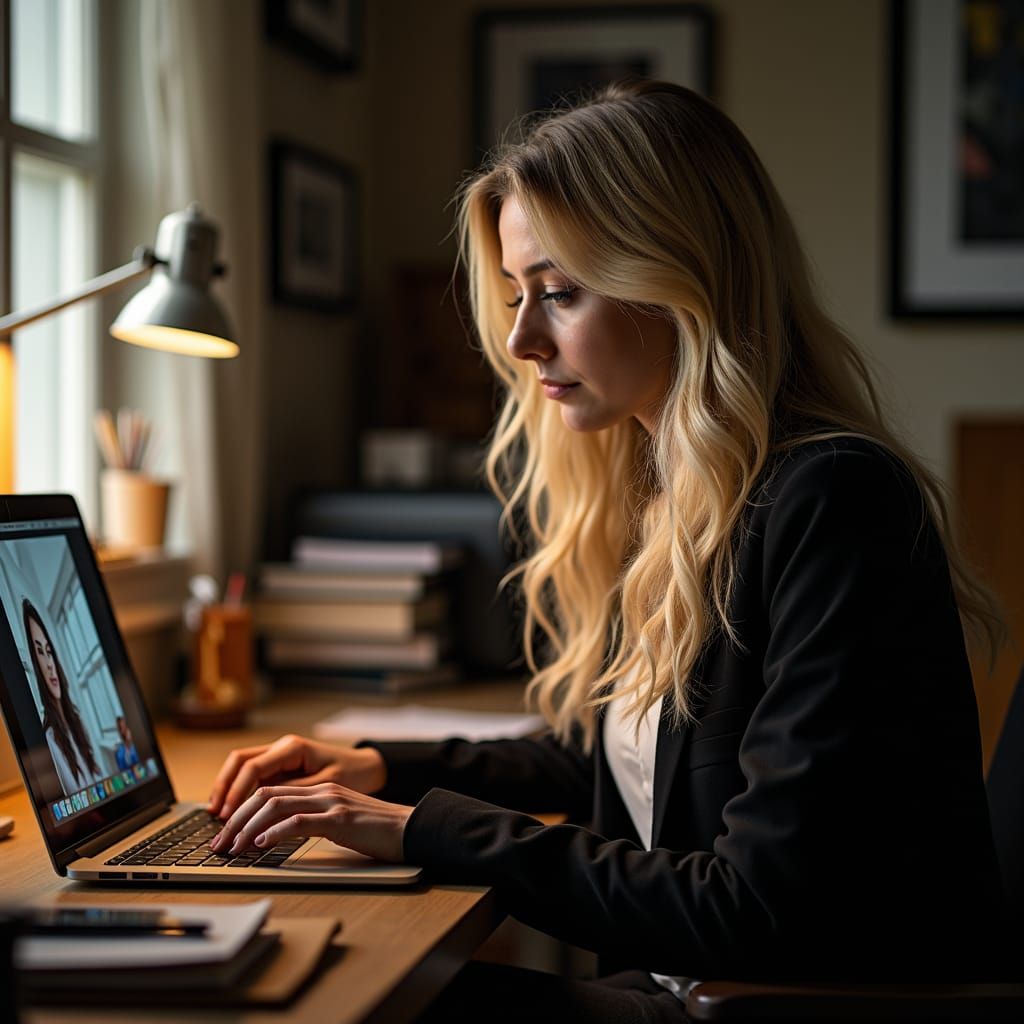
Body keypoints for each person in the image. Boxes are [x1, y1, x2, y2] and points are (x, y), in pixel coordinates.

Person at [207, 81, 1004, 1019]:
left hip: (770, 1002)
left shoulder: (831, 502)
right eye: (515, 295)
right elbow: (621, 753)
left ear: (680, 281)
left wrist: (422, 829)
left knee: (328, 997)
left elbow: (758, 904)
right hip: (697, 986)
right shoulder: (685, 493)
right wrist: (380, 770)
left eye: (560, 292)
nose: (519, 339)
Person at [23, 598, 102, 796]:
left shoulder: (76, 721)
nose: (49, 663)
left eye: (49, 651)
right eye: (40, 652)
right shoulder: (49, 741)